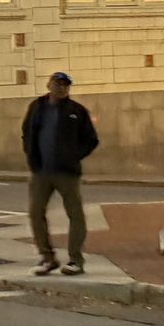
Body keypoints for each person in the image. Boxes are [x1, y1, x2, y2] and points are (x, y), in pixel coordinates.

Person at [20, 72, 100, 276]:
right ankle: (47, 257)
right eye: (58, 84)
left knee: (75, 214)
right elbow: (27, 132)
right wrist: (31, 155)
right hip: (41, 171)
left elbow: (91, 139)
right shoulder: (37, 107)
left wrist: (73, 156)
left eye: (66, 85)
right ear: (49, 85)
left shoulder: (76, 111)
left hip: (67, 172)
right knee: (35, 212)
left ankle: (75, 260)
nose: (62, 88)